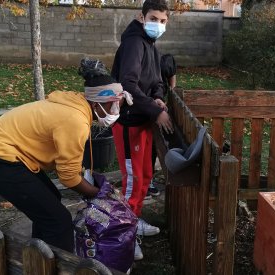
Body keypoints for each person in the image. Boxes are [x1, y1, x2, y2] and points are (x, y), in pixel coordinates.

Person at [0, 58, 132, 253]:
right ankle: (55, 265)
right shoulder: (75, 120)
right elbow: (69, 178)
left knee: (51, 202)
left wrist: (88, 187)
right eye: (116, 106)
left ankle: (39, 258)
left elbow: (66, 163)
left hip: (0, 152)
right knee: (58, 221)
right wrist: (98, 195)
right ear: (97, 105)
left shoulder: (75, 103)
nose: (117, 112)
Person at [111, 0, 173, 261]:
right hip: (129, 123)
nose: (158, 25)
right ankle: (125, 235)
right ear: (141, 16)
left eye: (163, 21)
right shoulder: (134, 43)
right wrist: (156, 110)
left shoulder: (152, 45)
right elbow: (128, 84)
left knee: (145, 175)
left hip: (143, 120)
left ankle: (134, 222)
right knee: (131, 181)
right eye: (154, 18)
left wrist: (157, 97)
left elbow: (157, 80)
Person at [147, 53, 177, 198]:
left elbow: (172, 81)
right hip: (145, 106)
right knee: (148, 145)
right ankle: (147, 181)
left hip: (157, 103)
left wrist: (171, 94)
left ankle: (148, 179)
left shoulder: (167, 62)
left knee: (153, 145)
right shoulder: (149, 71)